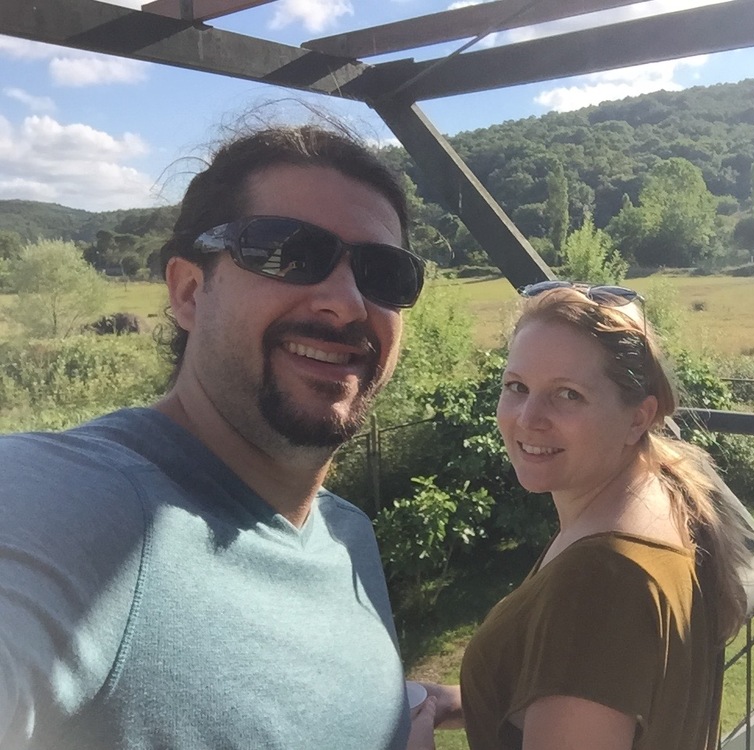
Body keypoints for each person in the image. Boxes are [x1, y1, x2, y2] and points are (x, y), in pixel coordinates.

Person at [0, 120, 436, 749]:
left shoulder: (347, 536)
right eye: (288, 252)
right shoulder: (76, 506)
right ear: (188, 291)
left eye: (382, 273)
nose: (345, 301)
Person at [424, 281, 750, 750]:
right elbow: (594, 682)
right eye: (516, 386)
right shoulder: (670, 500)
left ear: (638, 418)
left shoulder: (600, 579)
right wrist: (459, 701)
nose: (528, 417)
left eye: (568, 395)